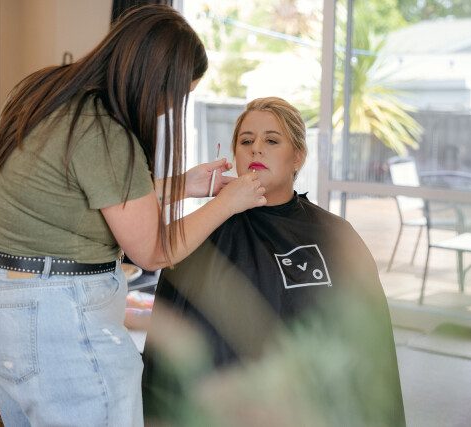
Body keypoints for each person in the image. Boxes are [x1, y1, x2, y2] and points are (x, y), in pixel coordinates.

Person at [0, 5, 266, 427]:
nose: (170, 109)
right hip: (54, 323)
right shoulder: (106, 132)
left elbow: (78, 189)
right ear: (156, 81)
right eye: (178, 95)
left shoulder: (42, 91)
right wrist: (227, 203)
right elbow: (153, 251)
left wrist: (182, 184)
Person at [142, 97, 406, 425]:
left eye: (271, 140)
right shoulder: (202, 232)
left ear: (297, 157)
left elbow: (369, 344)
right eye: (246, 141)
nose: (256, 149)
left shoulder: (336, 236)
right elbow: (168, 363)